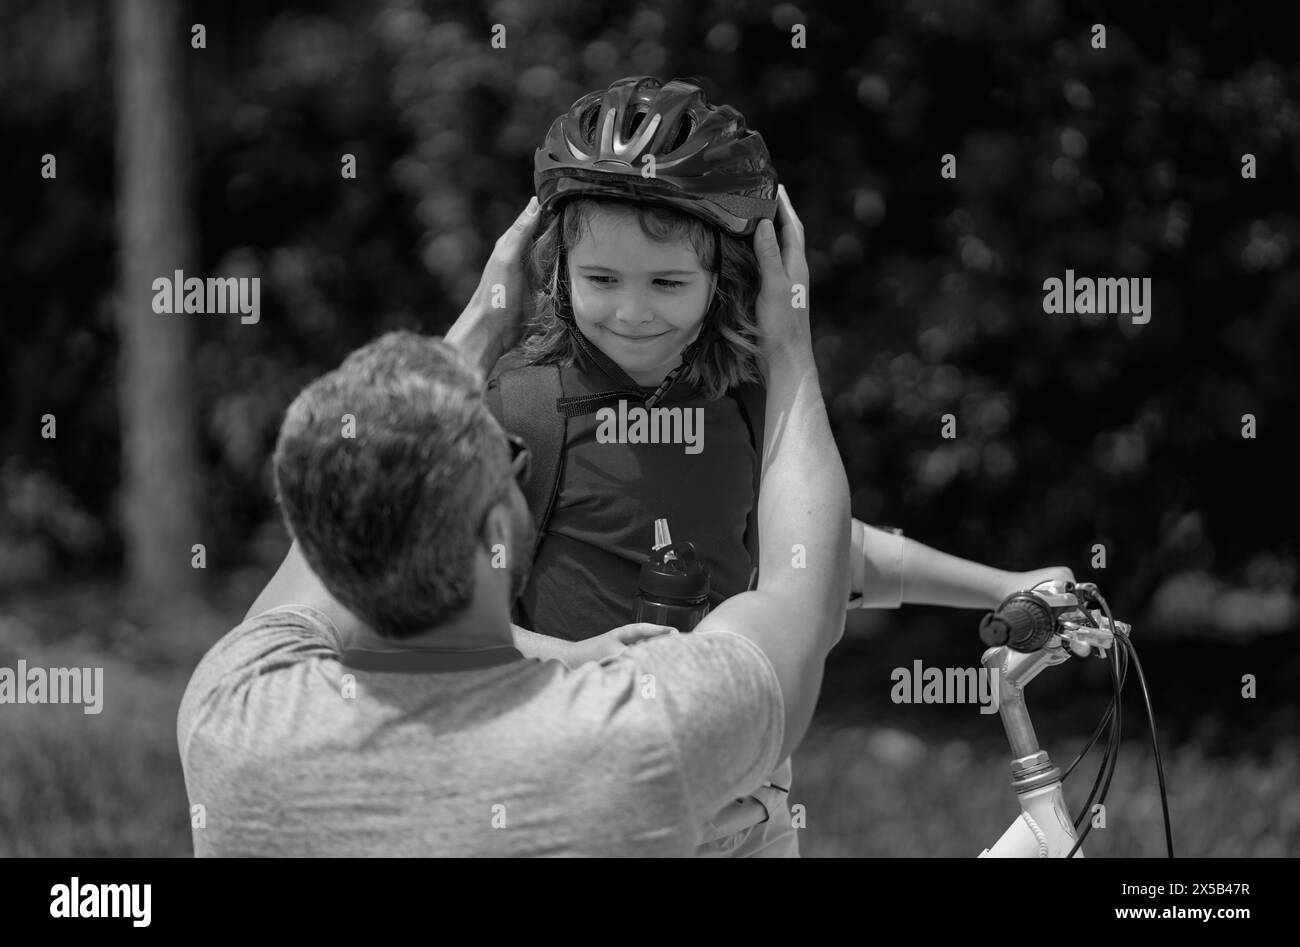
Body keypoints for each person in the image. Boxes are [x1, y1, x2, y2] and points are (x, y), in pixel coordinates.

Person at [484, 76, 1074, 856]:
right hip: (594, 801)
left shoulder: (738, 398)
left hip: (752, 807)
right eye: (601, 280)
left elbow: (819, 552)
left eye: (667, 282)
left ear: (726, 281)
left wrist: (1001, 586)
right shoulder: (526, 408)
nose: (631, 312)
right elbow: (453, 622)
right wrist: (574, 659)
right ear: (558, 271)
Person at [175, 188, 854, 856]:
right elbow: (804, 601)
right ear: (503, 534)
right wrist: (790, 348)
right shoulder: (640, 743)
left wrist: (480, 318)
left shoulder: (233, 711)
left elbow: (332, 542)